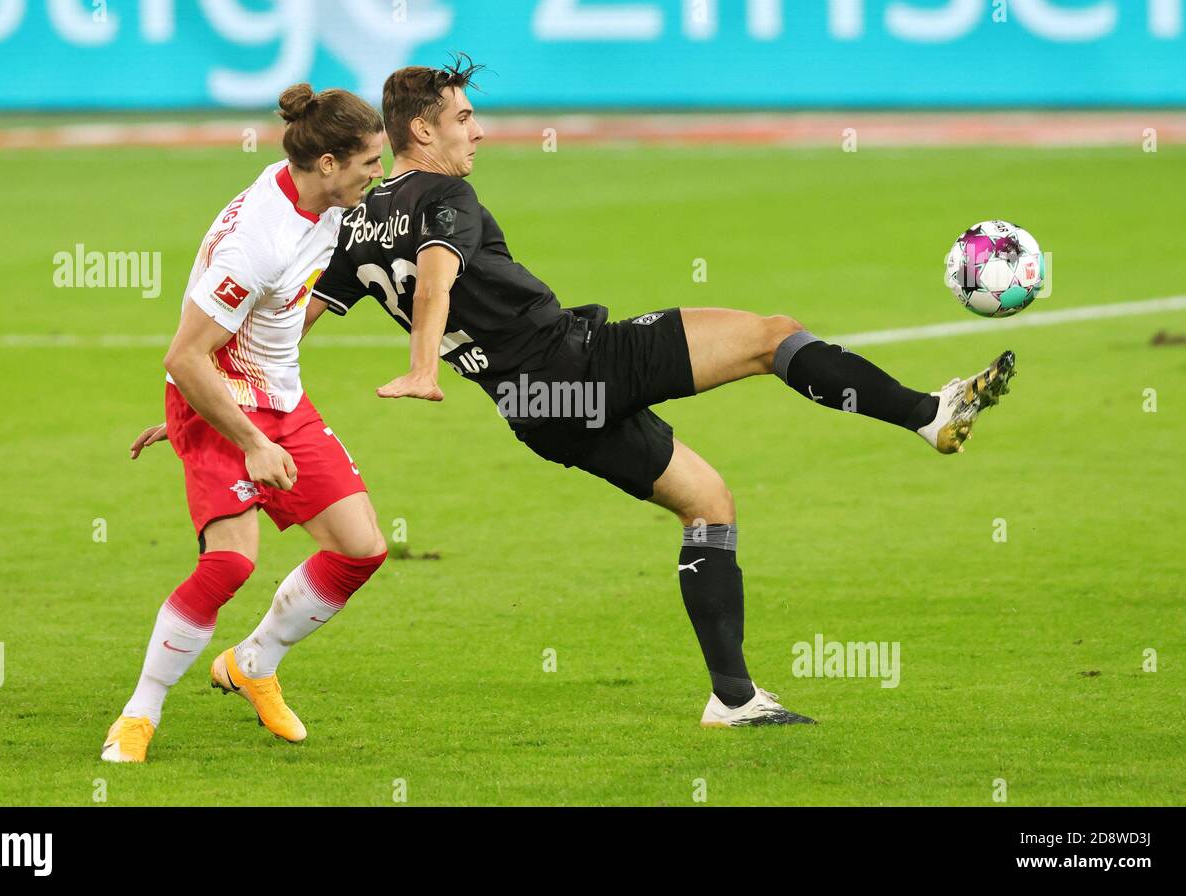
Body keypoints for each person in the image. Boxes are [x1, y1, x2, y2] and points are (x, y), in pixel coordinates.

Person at [311, 58, 1016, 727]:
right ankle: (929, 413)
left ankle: (733, 698)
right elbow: (437, 272)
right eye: (464, 118)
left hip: (535, 412)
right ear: (423, 131)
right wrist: (424, 365)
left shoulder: (359, 225)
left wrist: (231, 365)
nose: (479, 131)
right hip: (578, 366)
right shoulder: (445, 195)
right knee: (773, 336)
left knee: (708, 504)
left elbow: (297, 317)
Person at [102, 84, 389, 762]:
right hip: (229, 408)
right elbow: (186, 354)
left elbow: (284, 314)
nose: (376, 175)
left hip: (274, 398)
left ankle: (253, 662)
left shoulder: (321, 200)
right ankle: (138, 715)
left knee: (361, 548)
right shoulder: (256, 241)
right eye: (368, 163)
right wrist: (235, 432)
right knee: (231, 562)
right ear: (327, 162)